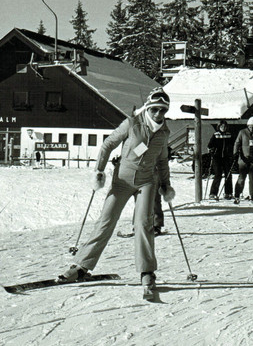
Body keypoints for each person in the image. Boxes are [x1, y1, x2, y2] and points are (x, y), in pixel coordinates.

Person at [58, 87, 175, 291]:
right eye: (155, 109)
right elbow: (108, 144)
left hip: (147, 182)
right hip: (122, 181)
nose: (158, 114)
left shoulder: (164, 132)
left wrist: (166, 184)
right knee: (106, 221)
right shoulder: (132, 123)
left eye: (163, 110)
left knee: (144, 224)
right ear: (148, 107)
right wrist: (99, 171)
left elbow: (162, 160)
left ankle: (147, 272)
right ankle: (81, 266)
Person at [207, 120, 234, 200]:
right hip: (217, 157)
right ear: (219, 127)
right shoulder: (216, 135)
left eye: (225, 126)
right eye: (222, 126)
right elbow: (209, 145)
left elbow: (233, 144)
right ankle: (213, 193)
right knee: (218, 174)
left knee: (228, 174)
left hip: (226, 157)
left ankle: (228, 193)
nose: (223, 128)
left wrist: (232, 152)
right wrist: (212, 150)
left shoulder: (229, 135)